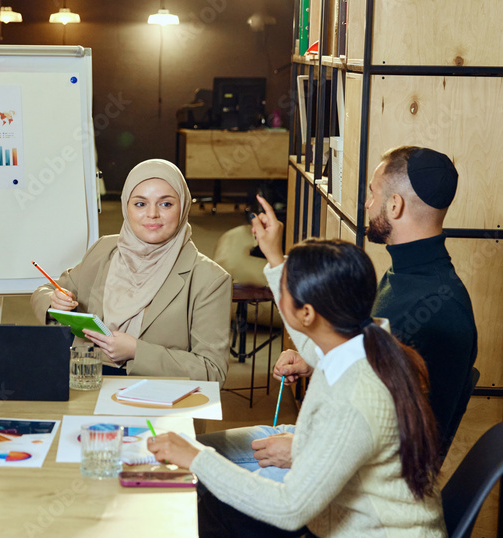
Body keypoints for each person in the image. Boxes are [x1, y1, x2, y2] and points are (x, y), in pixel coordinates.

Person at [148, 207, 446, 536]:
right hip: (332, 481)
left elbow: (289, 508)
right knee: (197, 457)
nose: (279, 292)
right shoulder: (361, 338)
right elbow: (307, 339)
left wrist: (196, 458)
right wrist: (274, 255)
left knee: (203, 490)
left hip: (371, 530)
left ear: (308, 313)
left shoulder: (355, 398)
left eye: (286, 287)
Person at [200, 146, 477, 478]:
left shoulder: (438, 309)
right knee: (195, 450)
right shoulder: (407, 275)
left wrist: (305, 448)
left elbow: (403, 447)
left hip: (351, 472)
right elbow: (364, 360)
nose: (367, 204)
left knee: (193, 475)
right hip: (329, 442)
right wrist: (315, 359)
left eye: (373, 194)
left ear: (395, 205)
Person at [30, 159, 232, 380]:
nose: (152, 214)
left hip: (157, 392)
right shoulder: (104, 250)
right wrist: (54, 302)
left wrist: (137, 351)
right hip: (87, 380)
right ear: (126, 206)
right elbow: (46, 291)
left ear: (183, 207)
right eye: (140, 204)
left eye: (166, 204)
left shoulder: (209, 279)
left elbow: (212, 370)